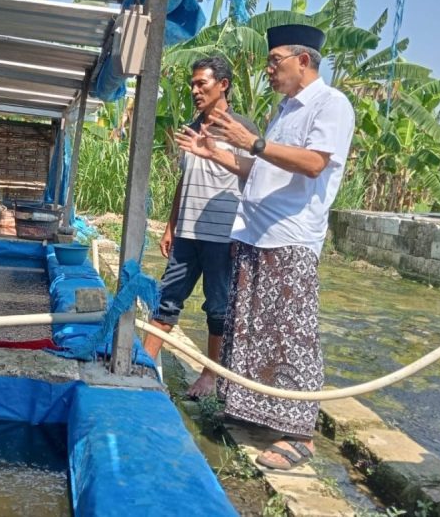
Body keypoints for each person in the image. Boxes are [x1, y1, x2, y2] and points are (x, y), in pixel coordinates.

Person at [175, 24, 355, 471]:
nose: (269, 69)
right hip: (254, 235)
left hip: (291, 237)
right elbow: (258, 170)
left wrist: (252, 140)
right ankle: (257, 415)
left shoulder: (330, 105)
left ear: (304, 61)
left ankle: (299, 435)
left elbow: (314, 163)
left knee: (291, 335)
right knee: (253, 332)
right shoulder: (283, 110)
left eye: (275, 61)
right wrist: (213, 152)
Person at [143, 56, 258, 398]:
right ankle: (143, 363)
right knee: (167, 298)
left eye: (201, 84)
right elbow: (184, 180)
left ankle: (210, 376)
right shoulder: (192, 127)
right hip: (187, 234)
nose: (194, 90)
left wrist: (245, 234)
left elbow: (256, 177)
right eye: (192, 84)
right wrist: (171, 225)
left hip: (223, 237)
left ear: (223, 85)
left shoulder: (241, 130)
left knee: (218, 308)